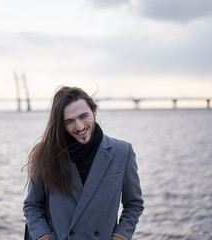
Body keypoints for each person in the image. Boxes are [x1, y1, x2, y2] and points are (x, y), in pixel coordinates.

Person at [23, 86, 144, 240]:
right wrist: (43, 236)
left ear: (94, 111)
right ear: (61, 124)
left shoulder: (122, 152)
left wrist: (120, 236)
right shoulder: (47, 154)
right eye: (69, 121)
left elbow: (134, 203)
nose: (79, 127)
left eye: (83, 116)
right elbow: (32, 205)